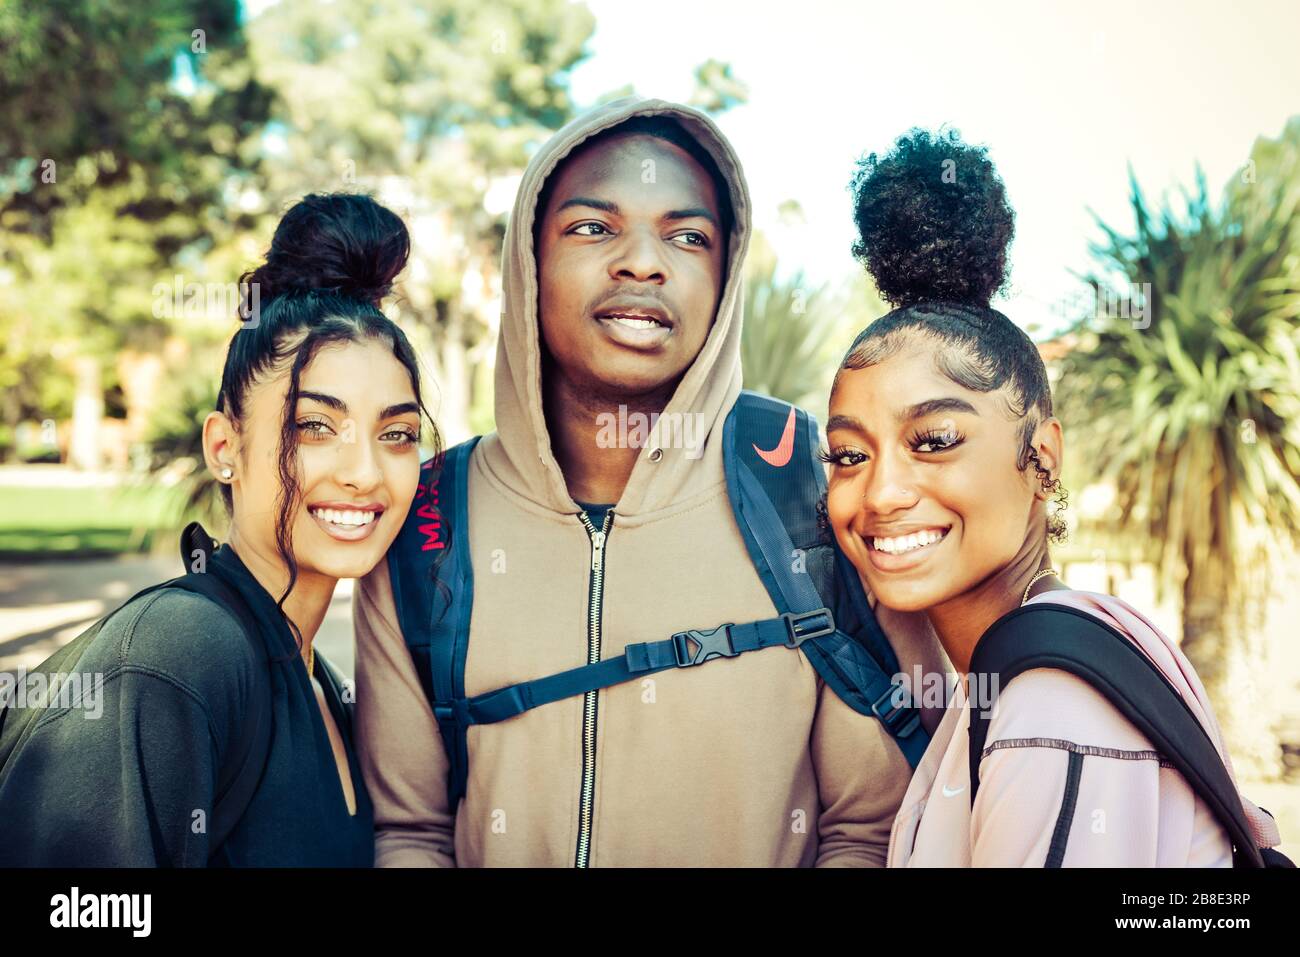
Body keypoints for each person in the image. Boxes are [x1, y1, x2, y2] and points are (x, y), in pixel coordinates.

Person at [352, 97, 947, 867]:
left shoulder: (809, 483)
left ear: (724, 277)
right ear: (528, 264)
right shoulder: (431, 515)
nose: (642, 262)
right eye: (594, 227)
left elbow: (868, 831)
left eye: (687, 236)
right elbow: (411, 833)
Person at [820, 128, 1282, 866]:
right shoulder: (1078, 643)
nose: (880, 491)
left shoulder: (1048, 702)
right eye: (848, 454)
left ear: (1041, 457)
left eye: (934, 440)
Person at [0, 193, 439, 866]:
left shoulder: (322, 682)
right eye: (314, 425)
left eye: (397, 433)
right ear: (223, 445)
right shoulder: (181, 654)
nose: (364, 471)